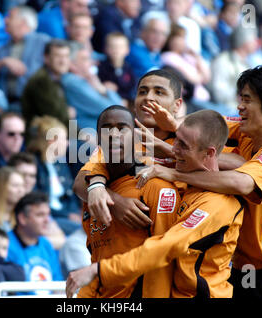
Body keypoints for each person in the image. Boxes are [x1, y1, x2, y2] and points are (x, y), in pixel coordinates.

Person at [133, 65, 262, 298]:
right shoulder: (244, 132)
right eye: (240, 98)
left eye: (247, 100)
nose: (239, 106)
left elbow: (242, 183)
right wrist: (171, 126)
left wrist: (175, 174)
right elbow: (205, 128)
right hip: (237, 271)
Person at [66, 109, 245, 298]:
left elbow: (164, 249)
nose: (172, 150)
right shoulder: (100, 184)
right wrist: (96, 185)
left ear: (208, 153)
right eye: (175, 140)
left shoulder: (213, 202)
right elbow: (87, 174)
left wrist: (98, 271)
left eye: (182, 145)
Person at [75, 105, 181, 298]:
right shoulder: (93, 190)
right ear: (98, 139)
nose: (114, 135)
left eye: (122, 128)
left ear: (137, 137)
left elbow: (164, 258)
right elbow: (97, 253)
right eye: (107, 128)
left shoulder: (156, 188)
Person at [72, 68, 184, 230]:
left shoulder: (190, 139)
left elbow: (217, 172)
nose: (148, 98)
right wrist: (115, 201)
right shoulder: (118, 141)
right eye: (142, 92)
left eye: (159, 92)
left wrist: (170, 150)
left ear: (177, 105)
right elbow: (80, 182)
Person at [0, 5, 50, 112]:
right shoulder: (4, 47)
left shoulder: (43, 41)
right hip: (7, 102)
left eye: (10, 17)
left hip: (36, 101)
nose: (5, 20)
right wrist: (3, 62)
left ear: (23, 22)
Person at [26, 115, 82, 236]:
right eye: (64, 139)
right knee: (85, 231)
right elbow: (36, 201)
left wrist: (74, 213)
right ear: (51, 141)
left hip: (66, 216)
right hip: (50, 218)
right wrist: (67, 215)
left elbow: (70, 195)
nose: (67, 144)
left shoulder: (60, 162)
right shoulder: (32, 165)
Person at [7, 151, 67, 250]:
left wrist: (34, 238)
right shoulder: (5, 204)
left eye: (32, 176)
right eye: (23, 174)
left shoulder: (36, 204)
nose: (27, 180)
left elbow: (61, 239)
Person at [7, 192, 64, 289]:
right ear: (22, 218)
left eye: (48, 215)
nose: (47, 220)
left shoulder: (46, 244)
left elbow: (57, 286)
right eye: (40, 215)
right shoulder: (5, 244)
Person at [61, 43, 123, 131]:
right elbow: (114, 110)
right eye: (85, 59)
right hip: (87, 137)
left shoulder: (88, 81)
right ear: (72, 65)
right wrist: (104, 90)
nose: (91, 62)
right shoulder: (73, 82)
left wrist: (102, 89)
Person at [21, 39, 72, 134]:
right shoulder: (41, 81)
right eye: (58, 56)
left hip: (57, 133)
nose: (63, 61)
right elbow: (58, 117)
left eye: (66, 56)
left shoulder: (56, 78)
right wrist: (83, 136)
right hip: (42, 138)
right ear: (46, 58)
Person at [209, 25, 258, 113]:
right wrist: (239, 95)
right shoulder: (223, 61)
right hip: (228, 110)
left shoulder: (248, 63)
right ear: (245, 42)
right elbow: (218, 92)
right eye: (254, 39)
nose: (256, 43)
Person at [97, 32, 138, 108]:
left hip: (126, 103)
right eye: (112, 47)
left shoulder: (129, 69)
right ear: (105, 49)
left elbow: (133, 88)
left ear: (127, 50)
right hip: (107, 103)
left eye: (120, 47)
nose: (116, 50)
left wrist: (127, 99)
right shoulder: (100, 67)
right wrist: (104, 87)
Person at [126, 12, 170, 79]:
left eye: (163, 34)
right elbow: (155, 75)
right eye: (154, 31)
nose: (159, 37)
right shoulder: (133, 50)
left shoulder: (155, 53)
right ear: (143, 31)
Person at [0, 166, 27, 232]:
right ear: (1, 187)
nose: (21, 190)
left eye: (23, 186)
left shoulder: (22, 213)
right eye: (15, 185)